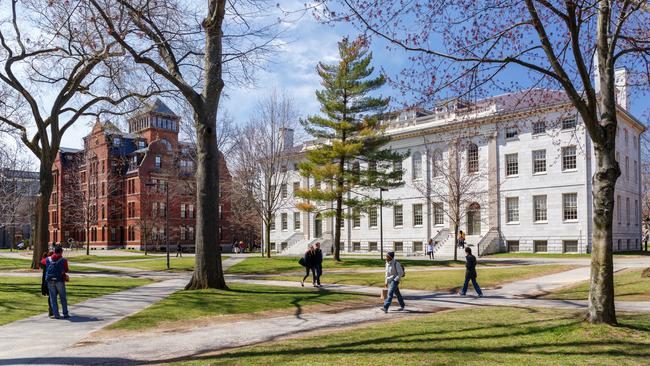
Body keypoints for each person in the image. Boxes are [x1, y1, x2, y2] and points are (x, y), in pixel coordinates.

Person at [42, 245, 70, 319]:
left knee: (53, 297)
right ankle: (65, 313)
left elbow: (42, 262)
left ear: (54, 251)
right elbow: (66, 270)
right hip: (59, 280)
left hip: (50, 280)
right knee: (62, 297)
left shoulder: (48, 259)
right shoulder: (63, 260)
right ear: (61, 252)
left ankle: (56, 314)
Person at [40, 250, 54, 318]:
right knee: (52, 295)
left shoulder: (44, 261)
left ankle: (51, 308)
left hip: (45, 280)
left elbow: (42, 261)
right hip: (50, 280)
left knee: (50, 295)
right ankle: (51, 308)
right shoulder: (51, 261)